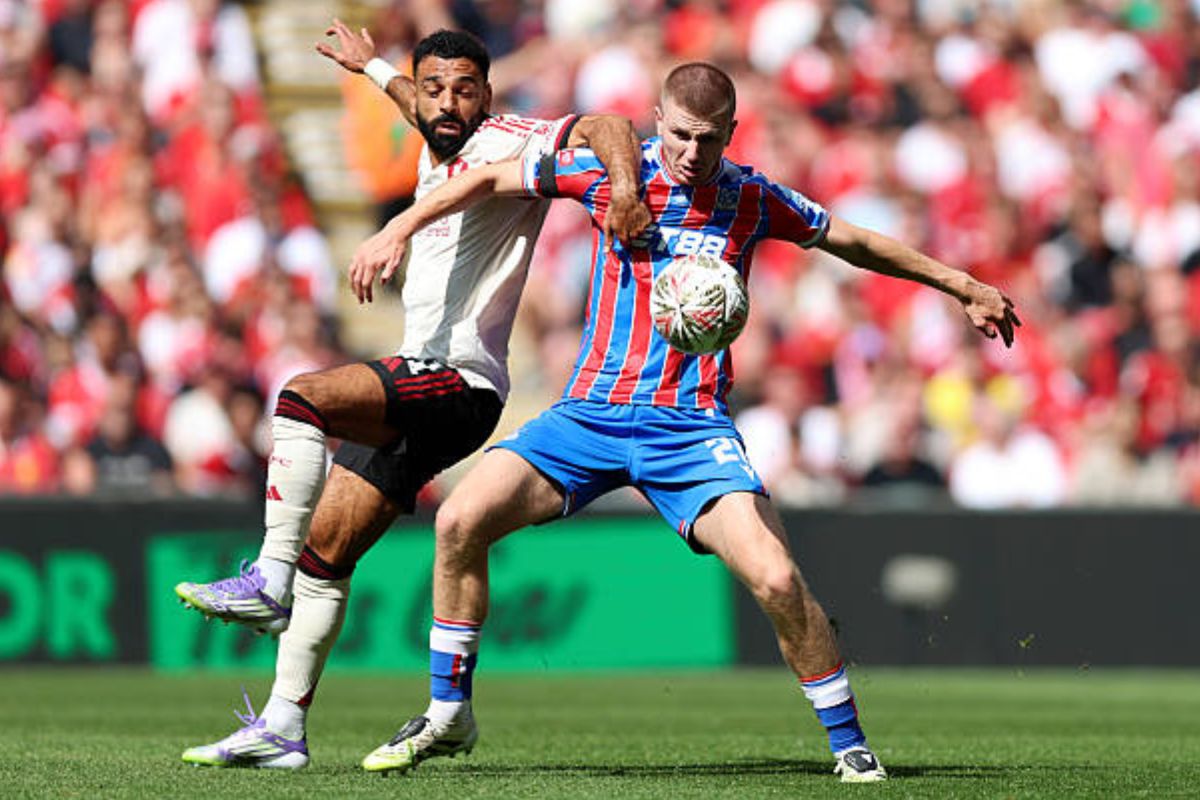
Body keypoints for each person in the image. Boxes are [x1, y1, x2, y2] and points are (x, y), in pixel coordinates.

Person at [348, 62, 1020, 783]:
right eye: (680, 135)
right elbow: (486, 178)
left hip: (689, 429)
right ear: (657, 120)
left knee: (776, 578)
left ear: (731, 132)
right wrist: (399, 227)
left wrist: (961, 284)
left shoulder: (751, 198)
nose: (693, 152)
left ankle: (849, 743)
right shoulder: (609, 174)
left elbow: (849, 239)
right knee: (459, 521)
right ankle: (448, 711)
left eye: (709, 139)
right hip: (589, 415)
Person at [175, 24, 649, 769]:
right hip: (430, 379)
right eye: (435, 90)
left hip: (459, 378)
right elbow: (409, 98)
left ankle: (265, 579)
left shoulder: (510, 140)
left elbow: (610, 125)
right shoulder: (433, 123)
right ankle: (282, 730)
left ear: (487, 94)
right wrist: (370, 66)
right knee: (327, 554)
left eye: (465, 89)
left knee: (302, 397)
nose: (447, 103)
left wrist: (623, 188)